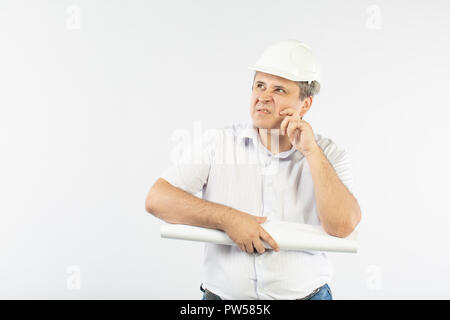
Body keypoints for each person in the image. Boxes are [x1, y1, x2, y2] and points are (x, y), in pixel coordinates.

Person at [145, 40, 362, 300]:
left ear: (305, 105)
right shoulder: (217, 143)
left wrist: (311, 153)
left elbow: (343, 226)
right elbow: (157, 200)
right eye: (260, 85)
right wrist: (228, 219)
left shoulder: (329, 153)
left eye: (279, 89)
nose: (264, 97)